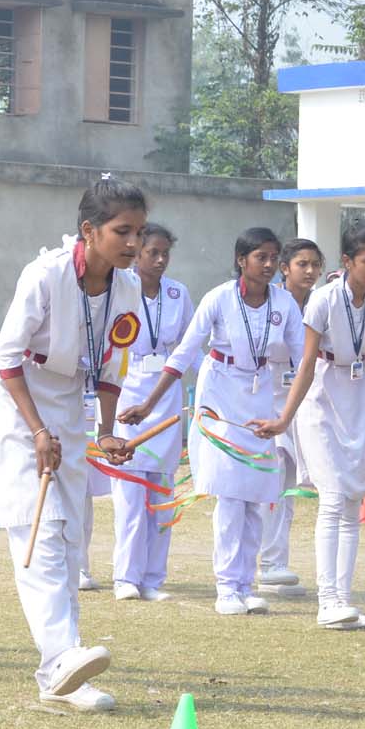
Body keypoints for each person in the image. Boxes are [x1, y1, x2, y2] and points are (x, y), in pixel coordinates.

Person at [0, 177, 146, 712]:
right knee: (38, 525)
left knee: (71, 534)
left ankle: (59, 671)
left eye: (138, 232)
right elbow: (6, 358)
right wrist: (38, 432)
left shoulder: (127, 287)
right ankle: (63, 656)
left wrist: (106, 431)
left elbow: (112, 366)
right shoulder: (44, 274)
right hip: (16, 396)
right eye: (122, 231)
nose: (133, 243)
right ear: (89, 230)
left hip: (68, 398)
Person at [127, 228, 296, 616]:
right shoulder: (219, 298)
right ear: (241, 260)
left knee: (256, 495)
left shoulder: (284, 303)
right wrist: (150, 404)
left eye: (273, 257)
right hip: (220, 395)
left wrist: (286, 416)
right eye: (261, 257)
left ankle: (246, 584)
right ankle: (227, 587)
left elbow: (303, 360)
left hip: (261, 396)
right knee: (230, 494)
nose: (269, 265)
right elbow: (184, 353)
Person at [257, 219, 365, 631]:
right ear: (347, 261)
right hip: (319, 399)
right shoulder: (323, 300)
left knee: (353, 502)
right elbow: (305, 365)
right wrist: (284, 418)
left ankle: (343, 601)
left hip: (358, 400)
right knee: (332, 499)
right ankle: (327, 601)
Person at [97, 224, 193, 603]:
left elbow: (188, 346)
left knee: (161, 495)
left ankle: (153, 578)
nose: (160, 260)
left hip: (165, 393)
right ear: (137, 253)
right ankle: (126, 577)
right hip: (126, 386)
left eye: (165, 253)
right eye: (153, 252)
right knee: (131, 495)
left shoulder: (178, 293)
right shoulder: (119, 288)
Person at [258, 238, 324, 594]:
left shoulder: (320, 303)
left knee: (289, 483)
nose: (310, 271)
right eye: (302, 264)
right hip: (267, 399)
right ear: (285, 268)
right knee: (270, 478)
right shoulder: (270, 301)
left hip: (303, 402)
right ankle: (265, 562)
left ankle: (276, 562)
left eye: (315, 264)